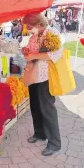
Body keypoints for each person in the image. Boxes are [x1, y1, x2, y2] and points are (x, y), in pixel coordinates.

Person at [22, 12, 62, 156]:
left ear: (39, 24)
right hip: (33, 76)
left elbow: (55, 55)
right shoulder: (34, 35)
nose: (27, 29)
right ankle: (39, 133)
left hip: (46, 77)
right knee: (35, 106)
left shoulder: (52, 33)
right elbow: (31, 51)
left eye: (29, 26)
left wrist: (34, 55)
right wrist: (26, 52)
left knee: (47, 109)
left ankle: (55, 143)